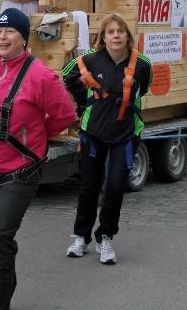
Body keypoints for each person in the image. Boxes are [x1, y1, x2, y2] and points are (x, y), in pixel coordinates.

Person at [0, 8, 76, 310]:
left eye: (10, 31)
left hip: (19, 171)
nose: (2, 37)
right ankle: (5, 282)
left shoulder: (40, 74)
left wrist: (36, 135)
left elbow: (65, 115)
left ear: (23, 38)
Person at [62, 13, 152, 265]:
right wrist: (83, 100)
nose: (115, 36)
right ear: (103, 36)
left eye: (120, 31)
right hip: (93, 132)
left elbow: (144, 88)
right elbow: (67, 73)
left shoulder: (142, 63)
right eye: (110, 32)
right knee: (89, 186)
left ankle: (105, 238)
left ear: (127, 36)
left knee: (114, 187)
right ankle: (81, 236)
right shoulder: (90, 59)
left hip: (125, 134)